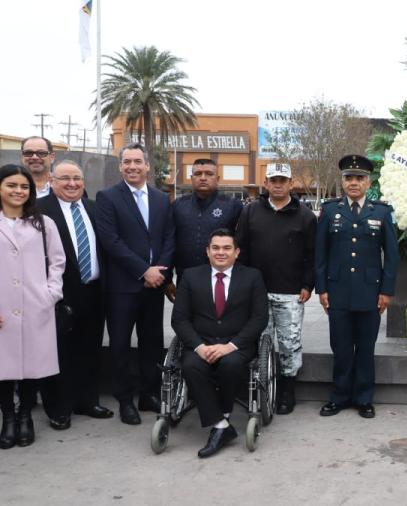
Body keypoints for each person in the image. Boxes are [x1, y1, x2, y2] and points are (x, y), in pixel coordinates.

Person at [94, 142, 175, 425]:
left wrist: (160, 272)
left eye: (137, 161)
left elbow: (169, 237)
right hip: (123, 286)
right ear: (120, 166)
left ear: (147, 166)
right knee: (119, 344)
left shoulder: (162, 199)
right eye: (126, 161)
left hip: (155, 287)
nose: (132, 166)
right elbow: (111, 241)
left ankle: (148, 394)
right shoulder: (107, 197)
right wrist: (144, 270)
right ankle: (125, 399)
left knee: (152, 342)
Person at [171, 229, 268, 458]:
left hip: (237, 345)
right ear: (207, 251)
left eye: (226, 248)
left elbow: (259, 318)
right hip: (201, 343)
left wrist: (231, 345)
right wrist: (199, 346)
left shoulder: (252, 277)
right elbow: (180, 319)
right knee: (191, 366)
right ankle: (221, 424)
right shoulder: (190, 277)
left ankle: (221, 416)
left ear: (236, 252)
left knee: (230, 364)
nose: (221, 252)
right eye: (215, 248)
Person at [316, 155, 398, 419]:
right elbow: (321, 254)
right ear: (342, 182)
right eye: (349, 178)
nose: (354, 183)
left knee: (365, 348)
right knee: (340, 348)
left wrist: (386, 291)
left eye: (359, 178)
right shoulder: (330, 211)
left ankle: (364, 398)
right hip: (337, 291)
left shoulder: (382, 212)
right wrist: (322, 289)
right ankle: (339, 397)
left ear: (368, 182)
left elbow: (392, 256)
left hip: (370, 292)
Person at [36, 161, 112, 430]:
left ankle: (87, 401)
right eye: (65, 178)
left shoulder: (93, 208)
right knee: (59, 353)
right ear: (52, 180)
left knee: (90, 349)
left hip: (94, 291)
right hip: (58, 295)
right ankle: (59, 408)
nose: (72, 184)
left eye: (77, 179)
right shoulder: (40, 211)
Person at [235, 163, 316, 415]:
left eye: (283, 180)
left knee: (289, 345)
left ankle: (287, 391)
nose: (278, 185)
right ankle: (261, 389)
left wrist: (307, 284)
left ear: (291, 183)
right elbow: (241, 250)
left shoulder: (305, 216)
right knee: (261, 342)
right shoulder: (250, 212)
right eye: (273, 180)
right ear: (266, 183)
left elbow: (312, 255)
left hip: (291, 293)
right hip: (257, 291)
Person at [0, 164, 65, 448]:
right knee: (3, 367)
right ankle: (8, 419)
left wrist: (50, 294)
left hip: (35, 304)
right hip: (3, 306)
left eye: (24, 187)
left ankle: (25, 416)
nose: (18, 191)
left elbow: (58, 261)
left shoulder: (43, 223)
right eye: (11, 185)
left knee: (31, 365)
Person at [169, 158, 243, 285]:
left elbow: (241, 242)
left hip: (221, 279)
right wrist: (168, 278)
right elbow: (169, 241)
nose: (203, 178)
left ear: (217, 179)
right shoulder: (178, 205)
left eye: (209, 174)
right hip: (185, 278)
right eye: (198, 174)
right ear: (191, 178)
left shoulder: (233, 205)